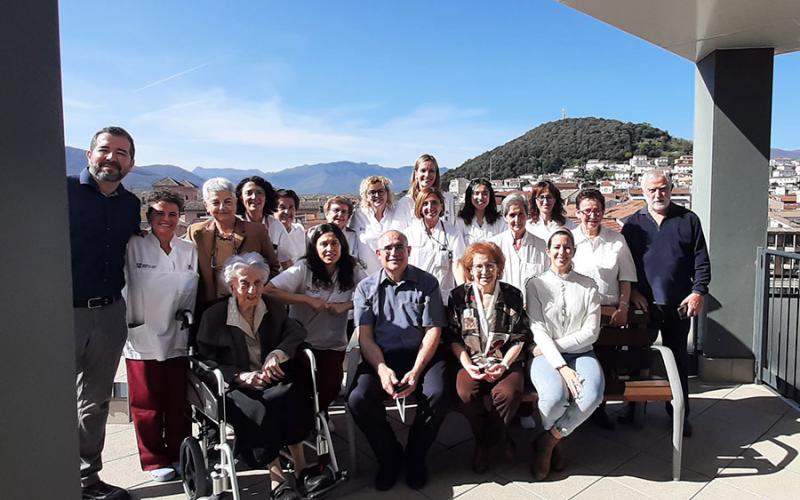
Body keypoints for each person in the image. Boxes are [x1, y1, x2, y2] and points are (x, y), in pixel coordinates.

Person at [196, 253, 309, 500]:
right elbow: (203, 360)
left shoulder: (273, 308)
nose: (252, 289)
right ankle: (277, 479)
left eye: (258, 283)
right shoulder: (214, 316)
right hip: (236, 386)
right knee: (258, 409)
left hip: (270, 378)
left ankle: (301, 469)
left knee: (291, 395)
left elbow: (296, 331)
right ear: (232, 285)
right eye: (245, 283)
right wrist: (238, 376)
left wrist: (278, 354)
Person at [69, 126, 140, 500]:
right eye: (105, 150)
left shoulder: (130, 205)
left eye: (122, 153)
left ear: (131, 161)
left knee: (94, 401)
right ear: (89, 154)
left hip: (110, 311)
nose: (112, 158)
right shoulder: (61, 192)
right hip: (62, 312)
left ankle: (86, 479)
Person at [348, 230, 450, 491]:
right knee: (358, 398)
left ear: (408, 251)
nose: (394, 253)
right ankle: (389, 456)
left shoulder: (427, 282)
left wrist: (416, 371)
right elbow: (366, 337)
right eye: (388, 249)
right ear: (379, 254)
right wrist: (382, 370)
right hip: (382, 355)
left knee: (438, 393)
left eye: (399, 247)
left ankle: (415, 456)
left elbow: (433, 331)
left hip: (422, 355)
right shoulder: (365, 288)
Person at [621, 169, 711, 438]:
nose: (658, 194)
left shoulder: (688, 219)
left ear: (671, 189)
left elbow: (701, 260)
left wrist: (698, 292)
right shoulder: (632, 224)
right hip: (644, 307)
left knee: (679, 362)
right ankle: (634, 409)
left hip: (678, 305)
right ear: (643, 192)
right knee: (638, 358)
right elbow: (626, 266)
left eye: (663, 188)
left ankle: (680, 415)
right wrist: (634, 291)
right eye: (652, 190)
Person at [123, 191, 199, 482]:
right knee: (147, 402)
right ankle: (153, 459)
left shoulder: (187, 249)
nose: (165, 220)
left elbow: (191, 289)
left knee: (178, 400)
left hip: (178, 331)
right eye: (159, 214)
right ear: (148, 216)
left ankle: (181, 452)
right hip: (142, 332)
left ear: (179, 217)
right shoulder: (133, 245)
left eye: (172, 214)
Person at [445, 241, 530, 474]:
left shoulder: (512, 295)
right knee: (465, 393)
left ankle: (484, 446)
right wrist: (468, 366)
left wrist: (503, 365)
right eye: (478, 266)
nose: (485, 272)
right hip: (471, 361)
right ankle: (501, 439)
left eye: (490, 265)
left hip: (505, 362)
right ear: (470, 270)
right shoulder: (459, 297)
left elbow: (520, 337)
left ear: (498, 268)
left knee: (507, 393)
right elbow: (453, 338)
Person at [526, 229, 604, 481]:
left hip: (581, 353)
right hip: (545, 356)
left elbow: (591, 332)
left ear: (574, 251)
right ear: (548, 251)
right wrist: (560, 366)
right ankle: (559, 441)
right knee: (553, 399)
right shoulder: (535, 284)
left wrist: (556, 347)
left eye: (567, 247)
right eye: (556, 247)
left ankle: (548, 441)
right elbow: (537, 328)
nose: (562, 252)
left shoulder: (588, 285)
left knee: (591, 395)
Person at [266, 224, 366, 414]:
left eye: (335, 243)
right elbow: (269, 290)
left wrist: (346, 305)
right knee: (302, 388)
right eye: (324, 244)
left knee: (332, 387)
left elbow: (371, 295)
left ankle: (318, 417)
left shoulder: (352, 268)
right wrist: (306, 299)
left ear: (342, 245)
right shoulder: (304, 268)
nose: (330, 249)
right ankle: (308, 424)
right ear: (315, 247)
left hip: (333, 342)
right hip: (302, 342)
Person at [571, 188, 637, 429]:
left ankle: (598, 411)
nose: (592, 215)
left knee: (607, 364)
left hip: (609, 316)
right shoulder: (569, 239)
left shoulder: (616, 240)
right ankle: (578, 410)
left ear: (603, 211)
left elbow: (626, 277)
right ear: (578, 213)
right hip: (578, 317)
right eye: (587, 210)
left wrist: (623, 306)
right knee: (581, 364)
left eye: (596, 210)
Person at [186, 177, 280, 316]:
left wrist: (254, 292)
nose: (222, 207)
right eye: (216, 203)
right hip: (209, 308)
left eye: (228, 202)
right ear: (206, 205)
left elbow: (273, 268)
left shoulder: (256, 231)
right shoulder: (196, 232)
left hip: (248, 307)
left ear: (235, 202)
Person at [406, 188, 466, 303]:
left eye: (434, 202)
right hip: (415, 297)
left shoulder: (453, 233)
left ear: (441, 206)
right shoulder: (409, 233)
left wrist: (463, 291)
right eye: (425, 203)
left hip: (441, 298)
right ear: (419, 207)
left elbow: (458, 264)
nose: (430, 207)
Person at [489, 193, 549, 296]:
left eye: (521, 214)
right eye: (512, 215)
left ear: (527, 216)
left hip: (533, 307)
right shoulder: (494, 245)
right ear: (505, 217)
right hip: (503, 306)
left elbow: (548, 279)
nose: (517, 220)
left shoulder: (541, 246)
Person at [236, 176, 296, 270]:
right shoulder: (234, 224)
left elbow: (287, 262)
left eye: (259, 193)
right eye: (249, 193)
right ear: (240, 198)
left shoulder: (275, 226)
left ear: (266, 197)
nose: (254, 197)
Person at [308, 195, 380, 274]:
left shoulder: (354, 237)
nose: (340, 214)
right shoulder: (313, 234)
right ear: (327, 213)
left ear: (348, 217)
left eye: (344, 211)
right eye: (336, 210)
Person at [395, 154, 456, 225]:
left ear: (436, 174)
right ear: (416, 174)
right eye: (423, 170)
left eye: (431, 171)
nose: (427, 175)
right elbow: (396, 231)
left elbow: (452, 225)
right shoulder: (405, 202)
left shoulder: (447, 198)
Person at [349, 175, 401, 253]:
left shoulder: (396, 214)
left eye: (381, 191)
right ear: (366, 196)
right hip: (365, 265)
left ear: (387, 193)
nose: (377, 195)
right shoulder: (358, 215)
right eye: (372, 192)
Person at [454, 178, 507, 244]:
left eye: (485, 194)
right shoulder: (461, 221)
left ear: (490, 196)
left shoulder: (500, 221)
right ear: (469, 196)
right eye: (476, 193)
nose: (480, 197)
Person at [275, 189, 306, 265]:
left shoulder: (299, 230)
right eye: (282, 207)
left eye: (291, 207)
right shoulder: (266, 234)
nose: (287, 212)